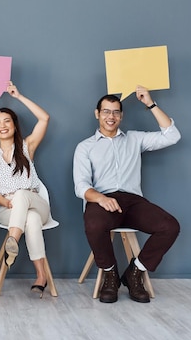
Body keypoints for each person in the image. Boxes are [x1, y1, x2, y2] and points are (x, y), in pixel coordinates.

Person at [73, 85, 181, 303]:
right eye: (106, 111)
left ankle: (135, 272)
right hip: (102, 200)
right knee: (94, 225)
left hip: (133, 201)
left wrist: (150, 103)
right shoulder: (85, 147)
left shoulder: (134, 139)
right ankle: (110, 274)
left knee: (170, 226)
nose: (110, 116)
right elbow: (81, 186)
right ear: (97, 114)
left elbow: (173, 136)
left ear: (121, 116)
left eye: (115, 112)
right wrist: (102, 199)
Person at [0, 82, 53, 298]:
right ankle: (41, 277)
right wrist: (7, 203)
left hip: (35, 201)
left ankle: (12, 241)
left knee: (24, 196)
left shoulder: (27, 146)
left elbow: (44, 119)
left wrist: (19, 96)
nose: (2, 125)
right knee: (30, 220)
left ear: (14, 125)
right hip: (8, 209)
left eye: (7, 121)